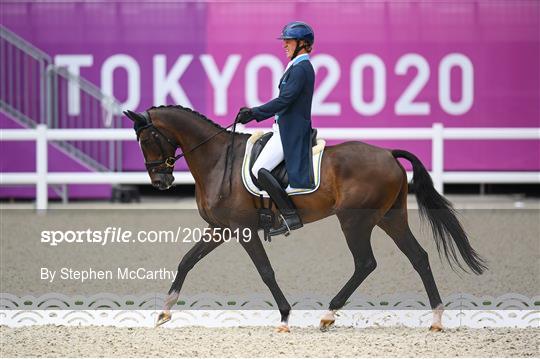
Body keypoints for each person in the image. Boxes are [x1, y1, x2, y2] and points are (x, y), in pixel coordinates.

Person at [236, 21, 316, 236]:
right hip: (282, 127)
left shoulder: (301, 69)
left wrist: (254, 113)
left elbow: (284, 101)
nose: (284, 45)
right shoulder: (295, 66)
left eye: (288, 41)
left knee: (258, 169)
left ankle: (290, 215)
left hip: (290, 132)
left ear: (303, 44)